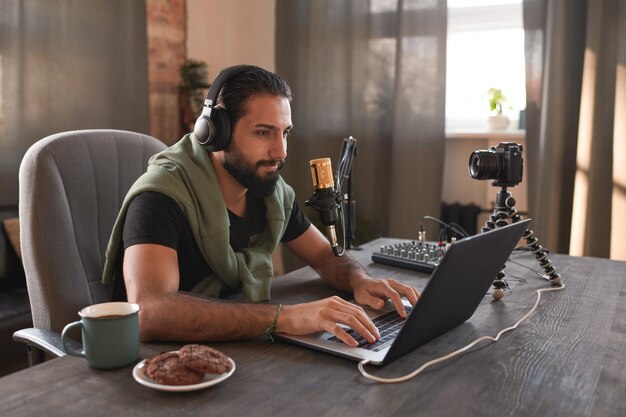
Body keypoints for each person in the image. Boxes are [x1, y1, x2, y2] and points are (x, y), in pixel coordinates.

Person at [102, 65, 419, 348]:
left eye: (285, 133)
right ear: (216, 132)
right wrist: (287, 318)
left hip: (231, 350)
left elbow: (324, 257)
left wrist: (358, 280)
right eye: (264, 132)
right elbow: (150, 312)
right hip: (154, 367)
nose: (280, 151)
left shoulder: (269, 192)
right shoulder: (160, 197)